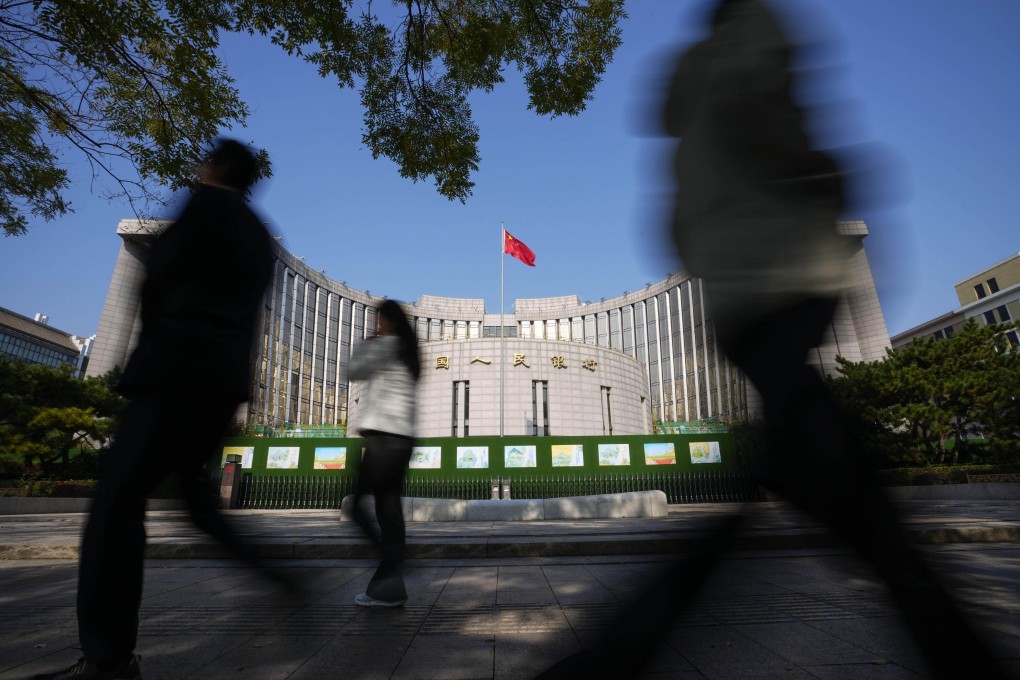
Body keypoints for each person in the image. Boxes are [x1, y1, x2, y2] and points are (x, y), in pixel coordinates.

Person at [534, 1, 1009, 678]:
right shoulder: (752, 38)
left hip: (734, 298)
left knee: (820, 490)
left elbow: (674, 218)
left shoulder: (686, 82)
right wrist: (825, 181)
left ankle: (618, 655)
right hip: (789, 277)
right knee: (851, 505)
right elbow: (777, 131)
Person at [33, 139, 276, 680]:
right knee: (196, 503)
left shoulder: (202, 206)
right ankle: (281, 577)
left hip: (173, 375)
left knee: (116, 507)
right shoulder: (260, 237)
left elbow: (158, 276)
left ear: (213, 168)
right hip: (221, 385)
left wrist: (139, 359)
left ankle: (108, 659)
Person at [347, 299, 421, 607]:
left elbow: (353, 370)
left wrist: (367, 345)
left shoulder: (386, 345)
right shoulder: (410, 353)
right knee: (389, 511)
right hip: (403, 440)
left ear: (388, 321)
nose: (377, 327)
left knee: (356, 507)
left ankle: (393, 562)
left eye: (380, 321)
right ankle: (389, 589)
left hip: (381, 440)